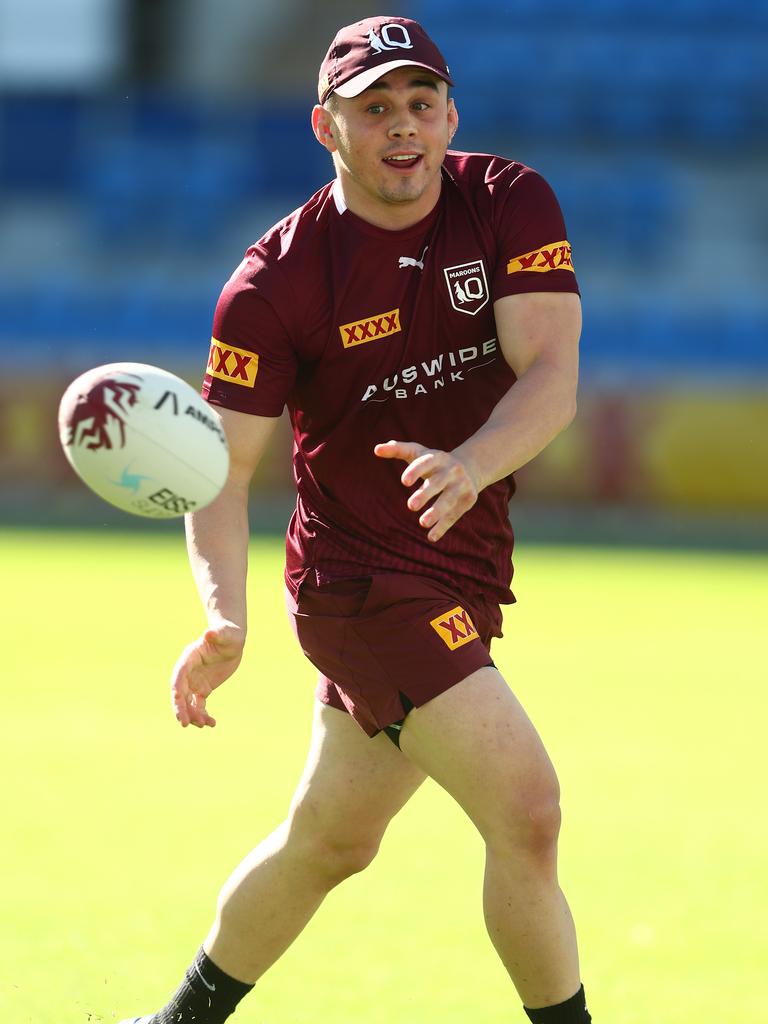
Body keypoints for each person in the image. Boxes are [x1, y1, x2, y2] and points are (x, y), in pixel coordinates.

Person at [121, 14, 589, 1024]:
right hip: (360, 582)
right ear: (326, 127)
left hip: (461, 565)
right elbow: (221, 470)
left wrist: (470, 465)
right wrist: (225, 616)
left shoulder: (507, 201)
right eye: (374, 108)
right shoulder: (275, 281)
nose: (403, 126)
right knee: (529, 808)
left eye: (421, 103)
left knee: (330, 840)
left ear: (451, 113)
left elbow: (551, 377)